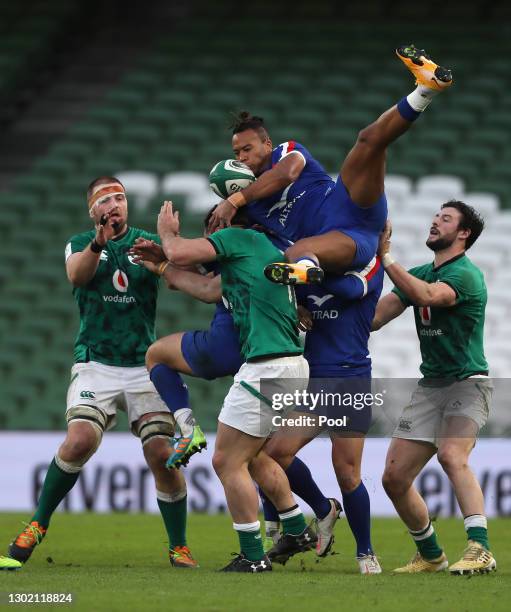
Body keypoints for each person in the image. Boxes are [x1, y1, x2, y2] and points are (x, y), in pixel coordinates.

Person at [0, 177, 197, 571]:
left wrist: (164, 256)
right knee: (78, 440)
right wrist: (98, 242)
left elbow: (179, 279)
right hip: (97, 364)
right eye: (105, 200)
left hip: (144, 364)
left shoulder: (144, 243)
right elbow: (77, 275)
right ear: (93, 211)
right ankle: (37, 524)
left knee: (161, 455)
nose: (115, 205)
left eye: (120, 197)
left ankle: (179, 547)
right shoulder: (80, 243)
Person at [151, 200, 316, 572]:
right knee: (255, 457)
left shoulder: (241, 239)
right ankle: (294, 528)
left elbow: (180, 250)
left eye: (214, 228)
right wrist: (162, 264)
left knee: (226, 461)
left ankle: (253, 557)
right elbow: (207, 288)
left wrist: (166, 233)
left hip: (267, 365)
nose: (212, 237)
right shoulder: (257, 254)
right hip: (289, 364)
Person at [207, 45, 452, 283]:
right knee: (296, 253)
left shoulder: (285, 152)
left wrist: (234, 200)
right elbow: (217, 242)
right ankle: (306, 271)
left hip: (347, 201)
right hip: (346, 239)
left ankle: (425, 90)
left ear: (267, 144)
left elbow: (287, 175)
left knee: (368, 141)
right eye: (236, 153)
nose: (241, 157)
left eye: (247, 149)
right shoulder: (248, 207)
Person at [373, 201, 496, 575]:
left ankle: (481, 549)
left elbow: (427, 296)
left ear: (463, 234)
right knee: (394, 477)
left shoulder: (466, 275)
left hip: (467, 383)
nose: (434, 221)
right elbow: (375, 319)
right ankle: (430, 554)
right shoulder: (421, 273)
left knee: (451, 456)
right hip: (431, 387)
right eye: (435, 215)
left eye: (445, 219)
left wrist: (386, 257)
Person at [260, 256, 385, 574]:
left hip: (350, 381)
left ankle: (365, 553)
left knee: (347, 473)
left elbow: (351, 288)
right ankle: (322, 507)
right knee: (275, 451)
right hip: (313, 381)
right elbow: (284, 299)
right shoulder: (305, 274)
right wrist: (295, 310)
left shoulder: (369, 264)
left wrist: (310, 275)